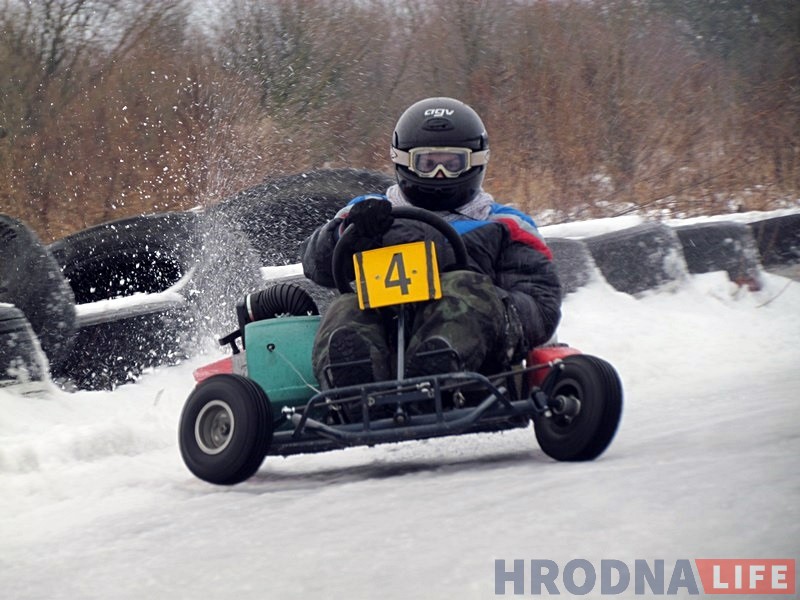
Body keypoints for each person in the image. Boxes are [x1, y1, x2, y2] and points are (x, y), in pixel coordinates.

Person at [301, 97, 562, 389]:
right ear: (403, 161)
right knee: (346, 305)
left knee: (465, 288)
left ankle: (438, 362)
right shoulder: (369, 211)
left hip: (478, 352)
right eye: (428, 164)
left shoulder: (504, 224)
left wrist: (496, 306)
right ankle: (355, 382)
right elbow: (315, 265)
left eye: (452, 163)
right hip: (386, 335)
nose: (440, 175)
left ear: (476, 162)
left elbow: (541, 304)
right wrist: (345, 235)